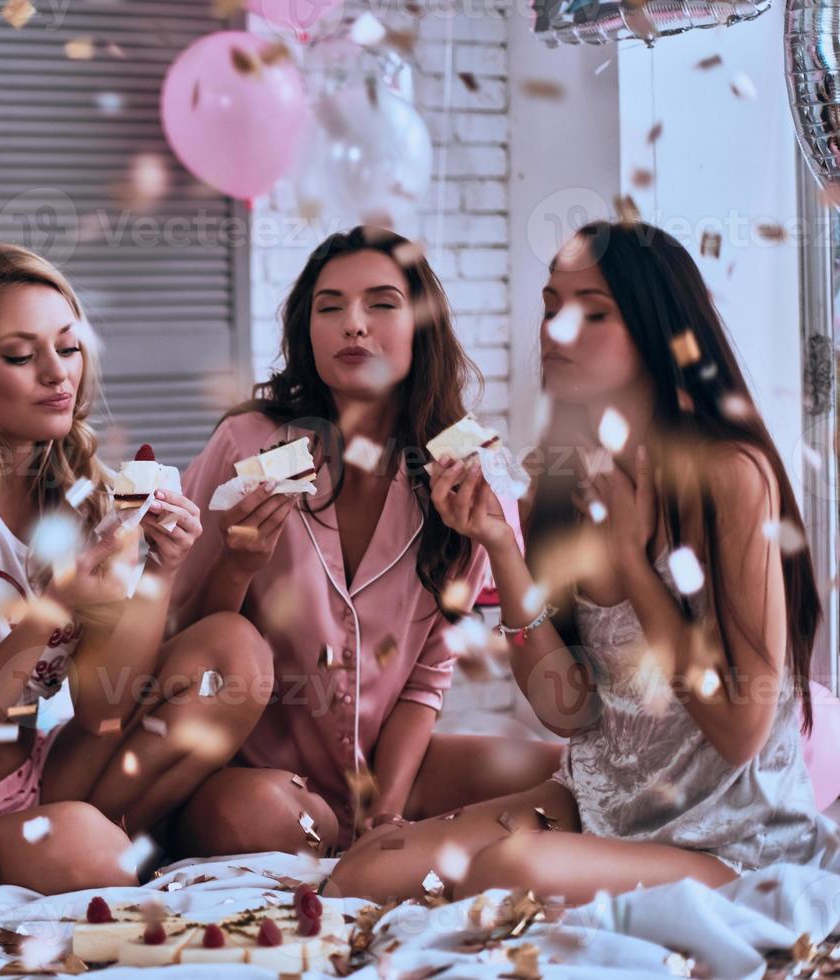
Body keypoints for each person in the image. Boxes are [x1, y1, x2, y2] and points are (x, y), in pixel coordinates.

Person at [329, 221, 831, 904]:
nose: (554, 330)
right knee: (364, 872)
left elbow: (741, 731)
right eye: (548, 306)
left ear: (656, 327)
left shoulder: (729, 476)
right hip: (600, 802)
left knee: (510, 873)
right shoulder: (555, 480)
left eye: (592, 311)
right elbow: (566, 713)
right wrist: (500, 548)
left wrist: (628, 561)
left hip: (732, 838)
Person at [0, 242, 297, 890]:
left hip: (36, 779)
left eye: (68, 348)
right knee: (101, 856)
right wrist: (60, 605)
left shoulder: (81, 496)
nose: (58, 374)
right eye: (21, 356)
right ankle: (101, 846)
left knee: (232, 650)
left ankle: (95, 841)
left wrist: (159, 570)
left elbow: (103, 706)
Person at [171, 226, 562, 853]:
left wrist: (385, 812)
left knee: (566, 781)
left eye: (382, 303)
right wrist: (238, 567)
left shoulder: (460, 481)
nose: (354, 325)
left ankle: (372, 845)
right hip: (248, 775)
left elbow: (426, 678)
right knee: (275, 820)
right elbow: (184, 645)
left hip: (385, 763)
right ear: (308, 333)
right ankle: (352, 848)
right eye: (330, 308)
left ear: (421, 327)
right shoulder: (247, 445)